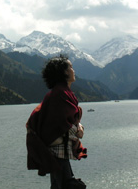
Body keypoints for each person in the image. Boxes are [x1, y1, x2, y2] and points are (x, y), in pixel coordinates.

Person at [26, 54, 87, 189]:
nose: (73, 70)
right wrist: (78, 131)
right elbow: (60, 124)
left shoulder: (60, 92)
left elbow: (65, 121)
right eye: (70, 67)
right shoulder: (61, 94)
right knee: (65, 185)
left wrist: (78, 128)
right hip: (58, 151)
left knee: (65, 183)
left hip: (60, 151)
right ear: (64, 72)